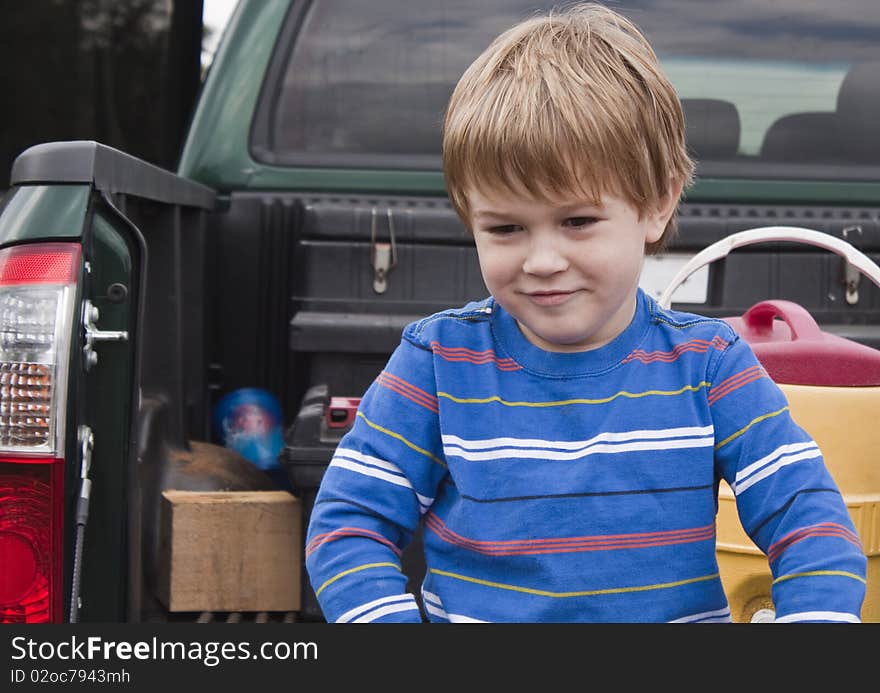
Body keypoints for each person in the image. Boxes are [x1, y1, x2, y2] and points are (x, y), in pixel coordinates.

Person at [304, 2, 867, 623]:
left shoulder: (708, 364)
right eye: (506, 227)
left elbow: (810, 522)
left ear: (655, 206)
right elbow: (349, 527)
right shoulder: (437, 362)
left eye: (577, 221)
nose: (543, 260)